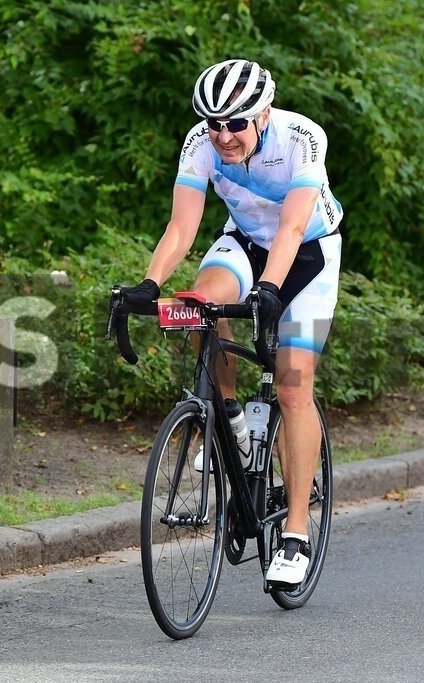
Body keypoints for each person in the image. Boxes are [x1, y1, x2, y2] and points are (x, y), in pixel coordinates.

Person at [120, 58, 343, 589]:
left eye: (235, 123)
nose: (223, 136)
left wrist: (269, 290)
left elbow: (291, 229)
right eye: (213, 124)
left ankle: (294, 534)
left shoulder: (302, 138)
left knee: (292, 386)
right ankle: (231, 422)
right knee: (199, 302)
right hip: (243, 243)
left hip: (309, 256)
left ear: (263, 113)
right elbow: (182, 225)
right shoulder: (200, 142)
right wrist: (149, 284)